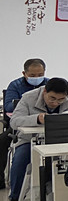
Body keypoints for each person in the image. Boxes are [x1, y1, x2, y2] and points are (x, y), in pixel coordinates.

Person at [2, 77, 68, 201]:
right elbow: (15, 121)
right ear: (45, 91)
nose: (56, 103)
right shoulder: (28, 97)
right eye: (52, 98)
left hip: (62, 139)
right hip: (30, 139)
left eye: (61, 100)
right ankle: (15, 200)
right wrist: (37, 119)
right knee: (20, 160)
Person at [1, 58, 49, 187]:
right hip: (22, 125)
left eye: (40, 74)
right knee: (2, 142)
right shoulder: (15, 85)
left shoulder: (50, 85)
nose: (37, 78)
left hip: (47, 127)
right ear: (24, 73)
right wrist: (27, 102)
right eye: (32, 75)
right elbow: (8, 106)